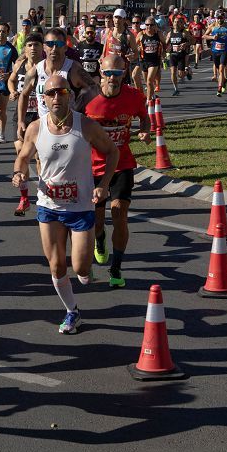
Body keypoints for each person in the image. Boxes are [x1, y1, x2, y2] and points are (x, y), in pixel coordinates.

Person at [12, 72, 118, 333]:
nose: (56, 97)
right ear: (44, 99)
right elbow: (23, 157)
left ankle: (86, 270)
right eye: (50, 93)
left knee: (81, 268)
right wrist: (19, 173)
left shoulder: (87, 126)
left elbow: (112, 151)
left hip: (80, 206)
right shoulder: (36, 128)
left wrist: (103, 186)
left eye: (61, 92)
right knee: (57, 264)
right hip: (49, 205)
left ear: (69, 96)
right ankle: (72, 311)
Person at [83, 55, 149, 288]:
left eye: (117, 73)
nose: (113, 78)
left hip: (122, 163)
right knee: (97, 220)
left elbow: (144, 116)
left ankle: (116, 267)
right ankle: (99, 240)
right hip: (92, 166)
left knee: (119, 211)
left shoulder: (133, 96)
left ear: (124, 73)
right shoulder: (88, 99)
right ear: (101, 72)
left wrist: (145, 130)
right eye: (108, 73)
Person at [17, 28, 100, 140]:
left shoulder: (73, 69)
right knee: (39, 157)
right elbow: (24, 95)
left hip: (70, 129)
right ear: (44, 47)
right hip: (45, 127)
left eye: (59, 44)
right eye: (50, 44)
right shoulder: (35, 71)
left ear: (65, 47)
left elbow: (94, 89)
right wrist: (20, 121)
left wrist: (78, 108)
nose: (54, 48)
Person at [7, 34, 45, 216]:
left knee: (38, 158)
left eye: (36, 45)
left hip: (40, 116)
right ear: (25, 48)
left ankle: (42, 196)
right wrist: (13, 91)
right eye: (29, 45)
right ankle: (24, 198)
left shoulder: (46, 66)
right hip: (21, 115)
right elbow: (11, 79)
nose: (33, 48)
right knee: (21, 155)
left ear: (42, 47)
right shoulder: (19, 64)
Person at [204, 11, 227, 96]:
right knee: (218, 68)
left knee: (221, 68)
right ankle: (224, 81)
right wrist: (212, 37)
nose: (220, 20)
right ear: (216, 18)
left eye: (221, 18)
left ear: (224, 18)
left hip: (225, 50)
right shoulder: (212, 26)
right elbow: (204, 36)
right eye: (218, 18)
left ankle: (219, 88)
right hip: (215, 51)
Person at [137, 18, 165, 100]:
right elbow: (134, 45)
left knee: (149, 80)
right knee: (147, 83)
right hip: (144, 60)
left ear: (155, 26)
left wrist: (164, 52)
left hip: (154, 60)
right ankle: (152, 96)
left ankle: (148, 101)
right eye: (147, 25)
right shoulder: (141, 34)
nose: (149, 26)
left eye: (151, 25)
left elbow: (164, 43)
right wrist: (137, 48)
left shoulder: (158, 34)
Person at [165, 16, 191, 95]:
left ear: (180, 23)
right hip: (173, 55)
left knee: (181, 75)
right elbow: (165, 44)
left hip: (181, 56)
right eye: (175, 22)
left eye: (178, 22)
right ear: (173, 23)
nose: (176, 23)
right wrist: (166, 49)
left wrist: (186, 43)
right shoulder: (170, 33)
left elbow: (192, 41)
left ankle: (187, 72)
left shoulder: (184, 32)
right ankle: (176, 89)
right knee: (172, 72)